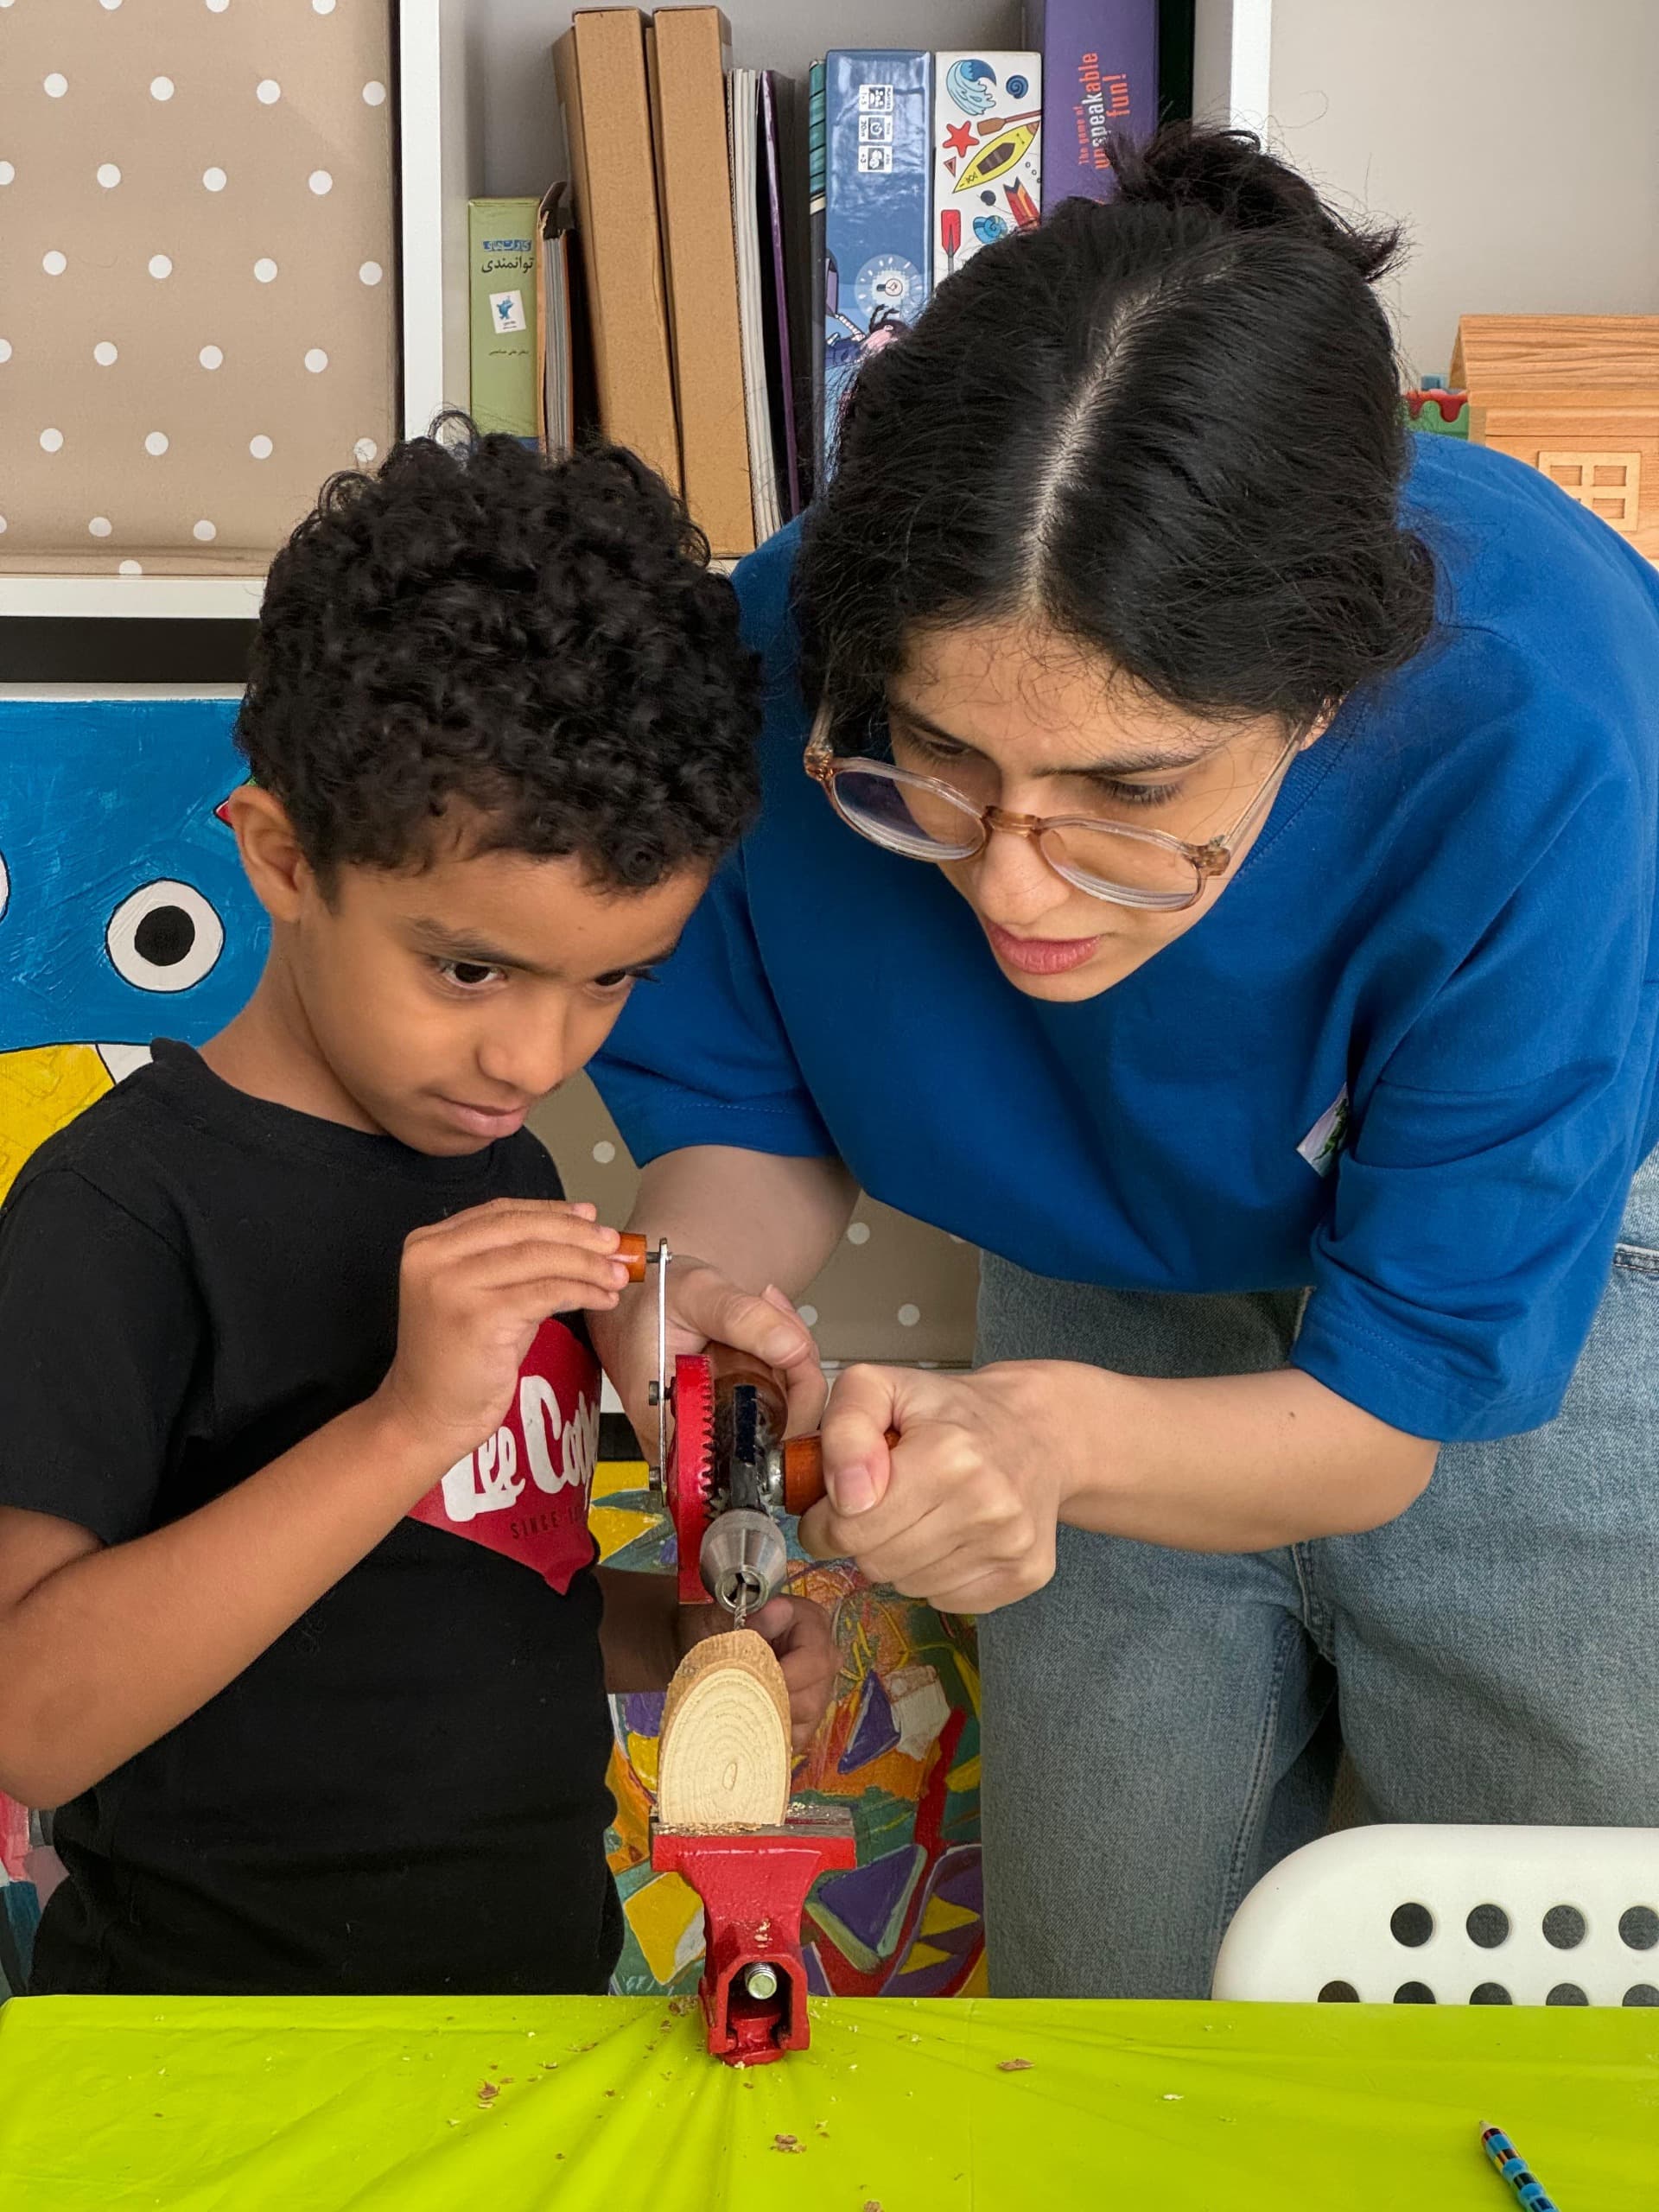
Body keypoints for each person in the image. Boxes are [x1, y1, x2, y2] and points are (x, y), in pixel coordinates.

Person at [588, 126, 1659, 2000]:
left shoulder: (1536, 715)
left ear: (1327, 697)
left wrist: (1046, 1433)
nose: (1011, 881)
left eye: (1131, 794)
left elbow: (1387, 1421)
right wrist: (695, 1295)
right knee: (1109, 1980)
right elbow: (742, 1134)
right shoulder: (768, 661)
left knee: (1529, 1981)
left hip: (1548, 1286)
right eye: (934, 766)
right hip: (1096, 1266)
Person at [0, 429, 835, 1998]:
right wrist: (401, 1425)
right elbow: (30, 1720)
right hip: (218, 2068)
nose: (536, 1057)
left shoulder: (497, 1175)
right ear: (281, 856)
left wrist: (678, 1644)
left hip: (526, 2021)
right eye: (468, 968)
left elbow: (457, 1609)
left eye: (612, 980)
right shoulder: (119, 1212)